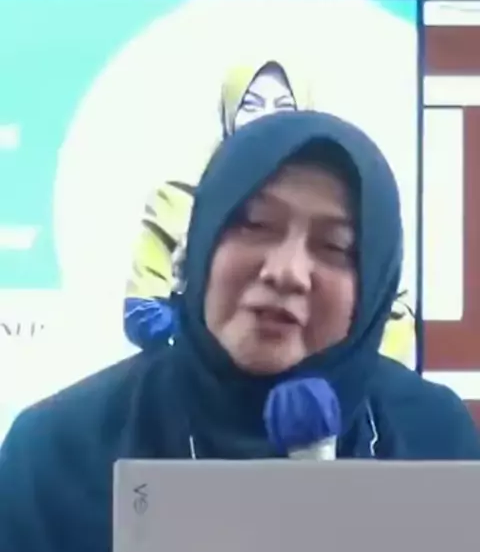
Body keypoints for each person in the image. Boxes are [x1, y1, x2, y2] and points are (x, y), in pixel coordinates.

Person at [0, 111, 478, 552]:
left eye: (335, 247)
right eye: (254, 224)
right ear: (200, 243)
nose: (285, 271)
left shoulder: (433, 436)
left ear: (376, 285)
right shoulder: (55, 449)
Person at [124, 56, 415, 365]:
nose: (266, 117)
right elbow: (141, 309)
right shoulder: (178, 196)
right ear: (229, 112)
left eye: (283, 106)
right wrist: (211, 361)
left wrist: (342, 378)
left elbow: (396, 312)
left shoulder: (348, 199)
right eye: (251, 105)